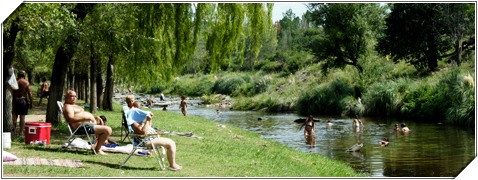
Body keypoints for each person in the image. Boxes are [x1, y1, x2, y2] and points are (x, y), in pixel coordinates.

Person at [125, 95, 182, 171]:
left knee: (171, 142)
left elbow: (147, 127)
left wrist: (149, 120)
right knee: (171, 143)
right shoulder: (133, 121)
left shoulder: (137, 119)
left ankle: (173, 164)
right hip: (145, 141)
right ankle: (172, 165)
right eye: (131, 101)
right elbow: (143, 132)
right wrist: (147, 120)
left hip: (150, 138)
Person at [63, 90, 112, 156]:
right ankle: (97, 149)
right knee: (107, 130)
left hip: (86, 125)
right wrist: (86, 118)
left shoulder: (74, 106)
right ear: (66, 97)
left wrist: (94, 117)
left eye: (75, 96)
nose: (74, 98)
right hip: (81, 128)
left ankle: (97, 147)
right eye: (71, 96)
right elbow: (70, 119)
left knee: (106, 129)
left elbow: (81, 115)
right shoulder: (68, 106)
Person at [12, 70, 33, 135]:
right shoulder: (26, 82)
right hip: (23, 101)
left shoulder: (15, 82)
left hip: (15, 101)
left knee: (14, 116)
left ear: (18, 75)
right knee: (22, 117)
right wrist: (31, 102)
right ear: (24, 75)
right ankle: (21, 132)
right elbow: (29, 93)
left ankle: (14, 132)